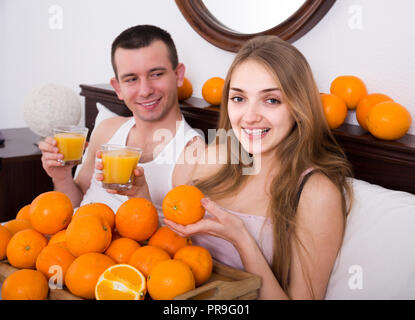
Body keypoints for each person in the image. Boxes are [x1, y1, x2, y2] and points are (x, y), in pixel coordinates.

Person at [162, 35, 353, 299]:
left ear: (298, 107)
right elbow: (164, 256)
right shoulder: (213, 158)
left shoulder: (315, 192)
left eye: (271, 100)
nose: (250, 117)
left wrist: (242, 239)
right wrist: (139, 195)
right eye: (239, 99)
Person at [38, 25, 203, 214]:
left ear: (178, 75)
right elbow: (75, 204)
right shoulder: (106, 131)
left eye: (156, 74)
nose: (145, 90)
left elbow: (178, 241)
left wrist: (142, 199)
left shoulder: (195, 158)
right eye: (131, 79)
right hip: (77, 234)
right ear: (118, 88)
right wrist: (62, 178)